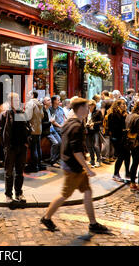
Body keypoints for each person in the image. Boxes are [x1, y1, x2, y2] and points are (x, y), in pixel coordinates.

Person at [40, 98, 109, 234]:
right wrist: (88, 168)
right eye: (86, 107)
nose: (88, 109)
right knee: (64, 194)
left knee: (87, 192)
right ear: (80, 109)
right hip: (73, 167)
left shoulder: (70, 122)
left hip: (72, 164)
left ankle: (93, 223)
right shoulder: (76, 126)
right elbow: (76, 151)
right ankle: (46, 217)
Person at [0, 92, 31, 204]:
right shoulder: (5, 115)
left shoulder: (22, 113)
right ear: (9, 102)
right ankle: (8, 195)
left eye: (18, 100)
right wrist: (6, 145)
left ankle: (19, 193)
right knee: (9, 172)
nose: (17, 102)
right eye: (14, 100)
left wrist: (27, 142)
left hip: (22, 147)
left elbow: (28, 129)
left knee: (20, 172)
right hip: (11, 148)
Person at [108, 99, 131, 182]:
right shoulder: (113, 114)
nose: (124, 105)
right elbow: (114, 128)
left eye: (125, 104)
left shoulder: (123, 114)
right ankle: (115, 174)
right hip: (117, 138)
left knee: (128, 155)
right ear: (117, 105)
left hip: (124, 138)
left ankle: (128, 173)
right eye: (123, 104)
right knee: (121, 156)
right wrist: (124, 129)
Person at [25, 91, 45, 173]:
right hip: (39, 128)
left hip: (32, 129)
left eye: (28, 94)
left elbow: (27, 116)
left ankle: (34, 166)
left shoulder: (30, 103)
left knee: (33, 149)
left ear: (32, 95)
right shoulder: (40, 104)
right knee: (38, 147)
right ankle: (39, 164)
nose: (27, 95)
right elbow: (42, 116)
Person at [41, 96, 61, 166]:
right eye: (48, 100)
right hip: (47, 130)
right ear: (44, 102)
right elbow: (42, 123)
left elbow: (52, 120)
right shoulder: (42, 111)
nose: (50, 101)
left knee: (60, 142)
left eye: (50, 100)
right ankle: (53, 161)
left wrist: (58, 125)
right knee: (55, 143)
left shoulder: (49, 109)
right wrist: (50, 122)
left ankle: (56, 159)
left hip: (52, 128)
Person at [86, 100, 103, 168]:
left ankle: (98, 160)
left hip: (95, 130)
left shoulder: (98, 112)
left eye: (91, 105)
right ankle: (92, 160)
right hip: (88, 130)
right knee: (89, 146)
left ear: (94, 105)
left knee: (96, 145)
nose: (89, 107)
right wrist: (86, 124)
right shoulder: (86, 111)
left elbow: (101, 121)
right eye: (88, 105)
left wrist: (94, 123)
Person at [100, 91, 114, 163]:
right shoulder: (113, 101)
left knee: (106, 139)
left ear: (103, 94)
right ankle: (111, 156)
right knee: (111, 139)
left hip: (106, 123)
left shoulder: (104, 102)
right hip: (113, 123)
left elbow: (102, 113)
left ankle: (105, 157)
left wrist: (102, 122)